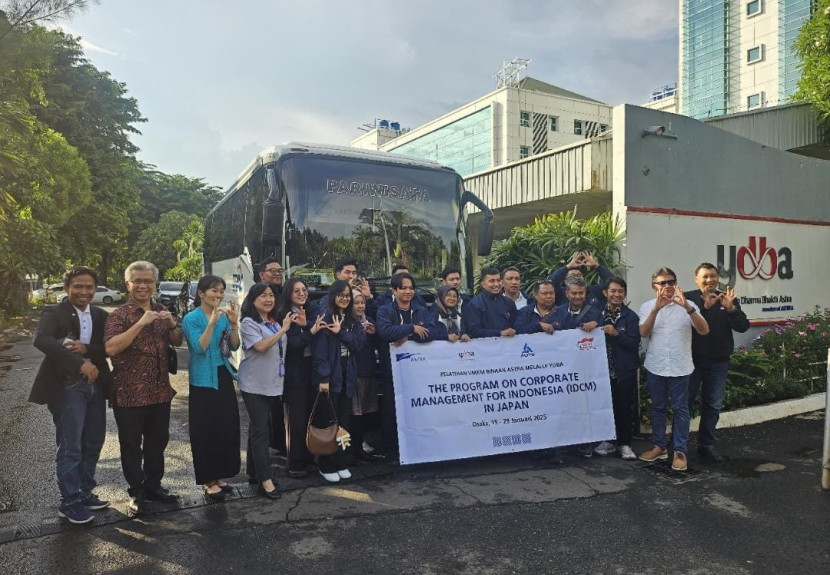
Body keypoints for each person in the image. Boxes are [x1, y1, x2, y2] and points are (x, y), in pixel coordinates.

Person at [31, 266, 111, 525]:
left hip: (96, 386)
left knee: (94, 442)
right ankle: (70, 501)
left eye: (89, 287)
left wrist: (89, 350)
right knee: (71, 446)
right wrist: (79, 363)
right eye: (78, 286)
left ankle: (86, 493)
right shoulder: (54, 313)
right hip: (67, 387)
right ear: (67, 288)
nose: (84, 291)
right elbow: (41, 340)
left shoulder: (100, 314)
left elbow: (107, 348)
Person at [105, 261, 181, 516]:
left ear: (154, 284)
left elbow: (177, 341)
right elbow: (111, 348)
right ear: (127, 284)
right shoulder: (119, 315)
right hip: (129, 393)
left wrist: (171, 324)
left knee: (158, 442)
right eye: (136, 281)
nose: (142, 285)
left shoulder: (162, 310)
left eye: (147, 281)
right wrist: (139, 324)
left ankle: (153, 486)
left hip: (160, 391)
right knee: (130, 444)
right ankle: (136, 492)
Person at [638, 267, 709, 472]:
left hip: (680, 366)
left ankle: (679, 450)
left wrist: (688, 307)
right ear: (654, 286)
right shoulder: (647, 306)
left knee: (680, 409)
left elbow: (704, 330)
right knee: (658, 408)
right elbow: (643, 332)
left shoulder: (690, 306)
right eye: (663, 283)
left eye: (671, 282)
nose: (668, 286)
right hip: (656, 366)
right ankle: (659, 446)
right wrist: (655, 310)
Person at [180, 275, 241, 500]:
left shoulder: (225, 317)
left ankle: (220, 475)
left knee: (225, 427)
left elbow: (232, 347)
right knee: (205, 431)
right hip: (203, 381)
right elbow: (199, 348)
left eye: (221, 291)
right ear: (201, 294)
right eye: (214, 291)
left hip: (222, 374)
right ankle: (208, 480)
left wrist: (233, 324)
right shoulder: (191, 319)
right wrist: (212, 323)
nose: (218, 295)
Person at [685, 263, 749, 462]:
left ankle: (706, 445)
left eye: (713, 276)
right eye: (705, 276)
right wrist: (703, 309)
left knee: (712, 405)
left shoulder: (726, 298)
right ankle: (678, 445)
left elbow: (743, 327)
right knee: (684, 404)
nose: (709, 280)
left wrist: (731, 310)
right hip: (691, 362)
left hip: (719, 362)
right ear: (696, 279)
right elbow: (683, 326)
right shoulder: (688, 299)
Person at [376, 272, 442, 463]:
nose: (408, 291)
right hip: (393, 373)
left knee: (418, 413)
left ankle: (419, 451)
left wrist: (408, 337)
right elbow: (385, 331)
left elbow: (434, 332)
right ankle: (392, 454)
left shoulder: (421, 310)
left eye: (411, 288)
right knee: (391, 413)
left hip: (418, 375)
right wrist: (412, 329)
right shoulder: (385, 310)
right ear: (394, 290)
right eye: (403, 288)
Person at [238, 283, 294, 499]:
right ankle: (265, 480)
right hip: (254, 384)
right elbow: (261, 347)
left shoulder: (272, 321)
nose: (269, 299)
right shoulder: (249, 323)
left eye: (271, 295)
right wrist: (283, 330)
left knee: (257, 428)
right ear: (252, 300)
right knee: (261, 432)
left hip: (271, 383)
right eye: (263, 296)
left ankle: (254, 472)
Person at [311, 281, 366, 482]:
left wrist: (341, 333)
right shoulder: (325, 317)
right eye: (341, 295)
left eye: (347, 295)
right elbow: (320, 354)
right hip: (330, 376)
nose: (344, 298)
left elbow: (359, 344)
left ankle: (342, 462)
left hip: (347, 375)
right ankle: (327, 465)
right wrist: (323, 378)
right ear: (333, 295)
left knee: (344, 422)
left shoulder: (352, 320)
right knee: (329, 423)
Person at [549, 277, 604, 459]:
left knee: (584, 408)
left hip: (586, 371)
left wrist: (598, 325)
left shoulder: (596, 313)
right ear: (567, 294)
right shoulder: (556, 313)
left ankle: (585, 444)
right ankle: (562, 445)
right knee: (563, 408)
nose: (578, 296)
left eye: (581, 293)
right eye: (574, 293)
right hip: (562, 372)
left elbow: (607, 331)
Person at [279, 277, 326, 478]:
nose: (302, 294)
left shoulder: (312, 311)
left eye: (304, 290)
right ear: (288, 293)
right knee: (296, 421)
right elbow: (292, 344)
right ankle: (295, 463)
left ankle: (309, 459)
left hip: (311, 372)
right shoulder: (284, 314)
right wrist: (311, 330)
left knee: (309, 417)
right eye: (297, 290)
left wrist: (307, 325)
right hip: (293, 374)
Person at [593, 277, 641, 460]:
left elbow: (633, 342)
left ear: (625, 293)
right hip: (601, 371)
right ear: (605, 293)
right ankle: (607, 440)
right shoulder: (596, 314)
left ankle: (625, 443)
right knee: (604, 407)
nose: (616, 295)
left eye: (620, 291)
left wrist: (616, 334)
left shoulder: (631, 316)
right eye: (612, 291)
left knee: (623, 408)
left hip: (623, 371)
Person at [256, 256, 287, 456]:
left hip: (283, 357)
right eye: (272, 270)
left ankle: (281, 442)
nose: (277, 274)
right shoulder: (256, 298)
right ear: (261, 274)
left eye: (280, 271)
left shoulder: (284, 293)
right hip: (265, 360)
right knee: (264, 409)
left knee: (280, 401)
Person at [351, 290, 384, 462]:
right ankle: (353, 448)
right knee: (354, 413)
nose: (360, 306)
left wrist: (374, 333)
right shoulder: (347, 322)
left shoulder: (369, 320)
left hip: (369, 371)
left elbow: (380, 342)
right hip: (354, 373)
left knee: (366, 412)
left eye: (362, 303)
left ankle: (363, 444)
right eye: (356, 303)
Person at [463, 267, 518, 339]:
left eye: (498, 280)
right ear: (483, 284)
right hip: (485, 348)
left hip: (507, 347)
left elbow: (516, 325)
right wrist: (500, 333)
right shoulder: (474, 304)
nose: (496, 284)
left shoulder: (509, 302)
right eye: (492, 281)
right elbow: (473, 331)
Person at [549, 251, 614, 307]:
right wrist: (567, 267)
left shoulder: (593, 291)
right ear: (565, 281)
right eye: (573, 275)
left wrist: (596, 265)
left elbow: (611, 282)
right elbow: (551, 283)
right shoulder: (561, 293)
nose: (577, 277)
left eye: (579, 275)